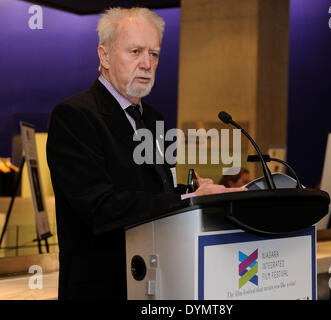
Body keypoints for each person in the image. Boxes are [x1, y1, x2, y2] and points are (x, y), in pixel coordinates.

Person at [46, 7, 244, 300]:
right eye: (135, 51)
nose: (146, 64)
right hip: (103, 288)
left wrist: (193, 191)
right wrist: (186, 199)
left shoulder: (153, 119)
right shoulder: (74, 116)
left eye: (154, 54)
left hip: (159, 284)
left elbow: (155, 191)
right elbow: (101, 207)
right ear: (104, 56)